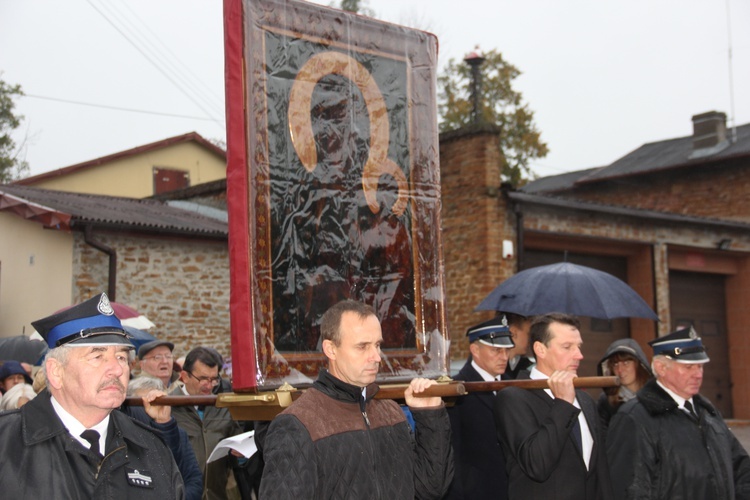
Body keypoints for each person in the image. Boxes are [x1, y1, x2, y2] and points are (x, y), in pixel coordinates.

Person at [259, 299, 453, 499]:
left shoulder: (391, 413)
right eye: (362, 347)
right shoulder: (299, 423)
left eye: (377, 345)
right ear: (331, 349)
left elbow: (430, 490)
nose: (376, 357)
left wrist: (430, 417)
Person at [0, 293, 184, 498]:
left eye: (121, 356)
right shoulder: (7, 442)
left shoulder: (151, 448)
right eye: (97, 356)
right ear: (56, 372)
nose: (117, 369)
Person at [606, 326, 750, 499]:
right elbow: (628, 489)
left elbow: (742, 470)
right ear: (661, 368)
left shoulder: (707, 413)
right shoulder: (635, 417)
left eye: (700, 367)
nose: (698, 375)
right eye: (688, 367)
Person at [494, 312, 612, 500]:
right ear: (540, 349)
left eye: (579, 347)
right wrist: (563, 403)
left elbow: (600, 473)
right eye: (567, 347)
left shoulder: (585, 400)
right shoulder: (513, 398)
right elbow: (537, 465)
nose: (579, 355)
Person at [446, 315, 514, 499]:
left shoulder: (513, 386)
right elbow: (453, 450)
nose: (504, 357)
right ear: (475, 349)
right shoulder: (458, 389)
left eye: (507, 350)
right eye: (496, 350)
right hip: (475, 492)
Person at [171, 346, 243, 500]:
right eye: (203, 379)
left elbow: (237, 447)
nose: (209, 386)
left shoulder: (223, 406)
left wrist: (241, 454)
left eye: (214, 379)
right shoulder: (167, 408)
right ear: (184, 376)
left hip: (220, 494)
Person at [124, 376, 204, 500]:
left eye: (158, 403)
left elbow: (194, 481)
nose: (151, 410)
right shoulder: (124, 434)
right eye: (143, 405)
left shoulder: (177, 433)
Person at [595, 338, 652, 435]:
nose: (620, 370)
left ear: (639, 365)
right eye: (615, 364)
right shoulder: (606, 402)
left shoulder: (655, 397)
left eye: (626, 363)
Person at [501, 312, 534, 380]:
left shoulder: (528, 365)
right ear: (513, 333)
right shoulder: (492, 365)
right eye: (528, 333)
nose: (531, 339)